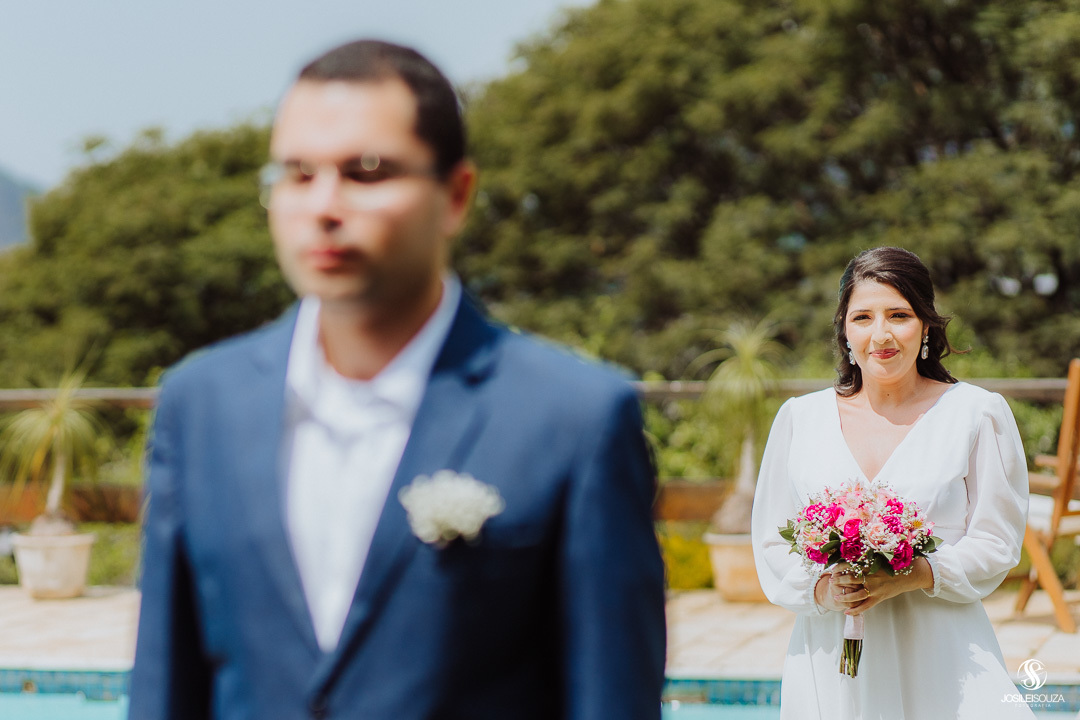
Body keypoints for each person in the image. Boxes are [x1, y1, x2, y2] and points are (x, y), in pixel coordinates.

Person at [128, 39, 666, 720]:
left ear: (456, 194)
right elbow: (164, 689)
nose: (323, 204)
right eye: (297, 173)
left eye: (367, 170)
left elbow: (611, 699)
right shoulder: (199, 404)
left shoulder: (574, 419)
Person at [751, 246, 1035, 719]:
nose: (880, 335)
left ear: (926, 325)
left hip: (945, 662)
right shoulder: (799, 420)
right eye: (863, 316)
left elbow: (998, 540)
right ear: (844, 328)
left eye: (899, 315)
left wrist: (917, 573)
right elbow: (770, 542)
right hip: (830, 665)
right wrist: (824, 589)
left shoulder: (976, 413)